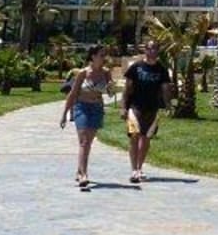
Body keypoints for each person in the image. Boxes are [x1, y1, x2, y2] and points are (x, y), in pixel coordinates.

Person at [60, 45, 113, 187]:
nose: (104, 58)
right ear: (93, 56)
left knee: (87, 142)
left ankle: (79, 170)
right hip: (81, 107)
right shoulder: (83, 73)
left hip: (97, 108)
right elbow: (73, 93)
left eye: (104, 55)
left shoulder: (106, 73)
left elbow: (110, 94)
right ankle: (84, 174)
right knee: (84, 141)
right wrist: (65, 113)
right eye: (101, 55)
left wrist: (110, 88)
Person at [120, 40, 171, 183]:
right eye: (150, 48)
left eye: (155, 48)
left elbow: (165, 88)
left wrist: (168, 105)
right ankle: (133, 170)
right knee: (134, 135)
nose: (153, 51)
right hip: (135, 106)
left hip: (153, 108)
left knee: (146, 138)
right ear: (145, 50)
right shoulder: (136, 67)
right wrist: (123, 107)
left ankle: (139, 167)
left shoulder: (162, 69)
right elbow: (127, 89)